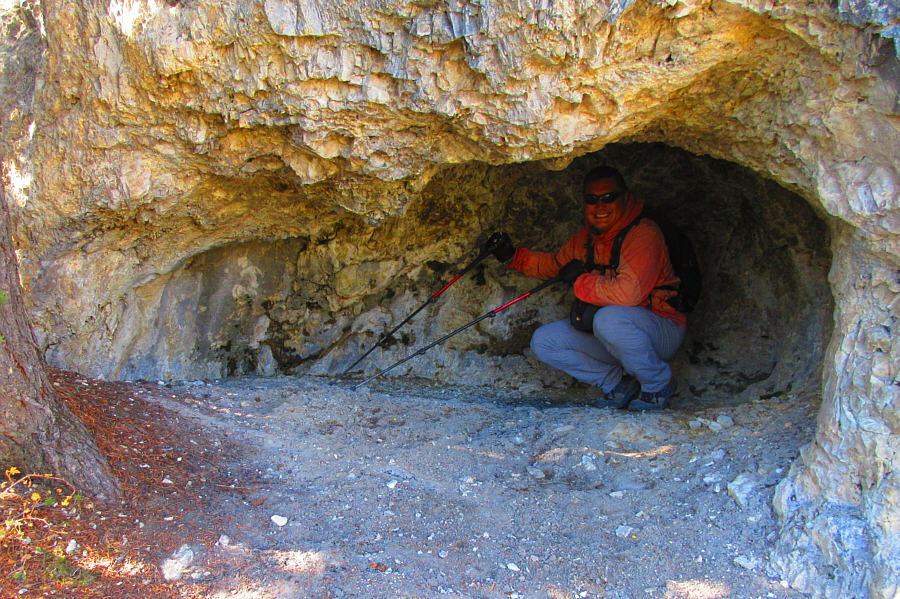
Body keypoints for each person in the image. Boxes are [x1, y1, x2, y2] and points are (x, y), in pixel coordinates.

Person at [490, 166, 686, 410]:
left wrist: (580, 280)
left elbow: (628, 294)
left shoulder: (644, 234)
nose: (600, 206)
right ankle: (617, 384)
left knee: (608, 319)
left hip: (661, 329)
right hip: (612, 332)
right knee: (544, 341)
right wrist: (513, 256)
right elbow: (555, 265)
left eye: (608, 197)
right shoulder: (586, 239)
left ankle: (658, 384)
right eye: (592, 200)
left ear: (625, 198)